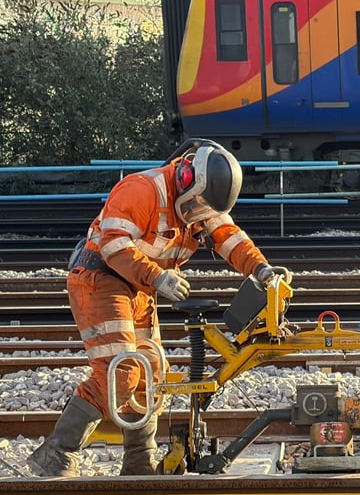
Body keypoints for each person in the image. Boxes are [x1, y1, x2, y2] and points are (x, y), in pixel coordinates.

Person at [27, 138, 289, 476]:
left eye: (204, 213)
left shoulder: (200, 202)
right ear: (186, 179)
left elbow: (229, 237)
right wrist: (157, 276)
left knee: (149, 373)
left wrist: (261, 269)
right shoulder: (142, 190)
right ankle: (57, 454)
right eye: (196, 208)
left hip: (139, 289)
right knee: (120, 372)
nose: (197, 218)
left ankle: (138, 459)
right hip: (100, 280)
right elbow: (113, 245)